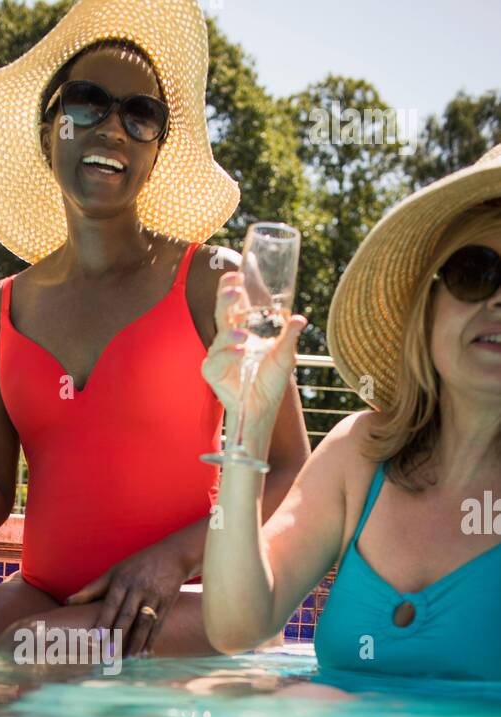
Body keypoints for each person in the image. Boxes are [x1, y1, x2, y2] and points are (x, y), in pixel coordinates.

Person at [0, 0, 309, 656]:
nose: (112, 128)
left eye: (140, 114)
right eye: (86, 103)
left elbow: (293, 468)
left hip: (196, 598)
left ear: (154, 153)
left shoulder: (218, 282)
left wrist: (174, 559)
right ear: (48, 133)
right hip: (47, 594)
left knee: (30, 648)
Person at [201, 143, 501, 682]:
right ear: (426, 307)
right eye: (476, 273)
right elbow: (235, 626)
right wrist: (250, 420)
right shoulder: (360, 454)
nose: (498, 302)